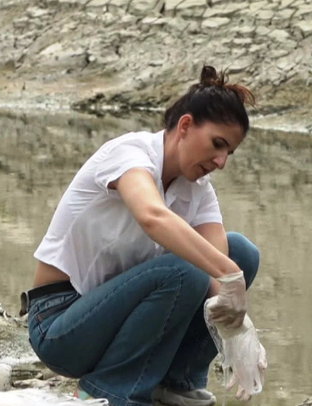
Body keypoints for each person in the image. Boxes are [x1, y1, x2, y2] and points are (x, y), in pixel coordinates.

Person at [20, 66, 263, 406]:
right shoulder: (129, 154)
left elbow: (220, 268)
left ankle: (175, 382)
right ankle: (108, 390)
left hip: (115, 321)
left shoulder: (198, 190)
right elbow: (152, 216)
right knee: (189, 269)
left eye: (229, 153)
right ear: (185, 126)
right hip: (60, 325)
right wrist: (228, 276)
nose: (221, 161)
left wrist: (237, 326)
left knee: (240, 253)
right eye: (217, 144)